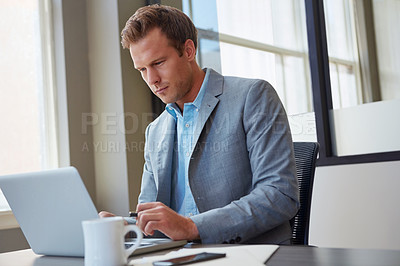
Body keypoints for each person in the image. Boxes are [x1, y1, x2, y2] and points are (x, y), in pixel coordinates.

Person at [100, 4, 299, 245]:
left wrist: (192, 227)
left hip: (250, 254)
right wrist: (123, 226)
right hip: (183, 256)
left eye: (159, 63)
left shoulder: (253, 97)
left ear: (189, 50)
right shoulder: (156, 130)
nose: (151, 80)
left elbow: (280, 195)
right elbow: (151, 217)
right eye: (142, 69)